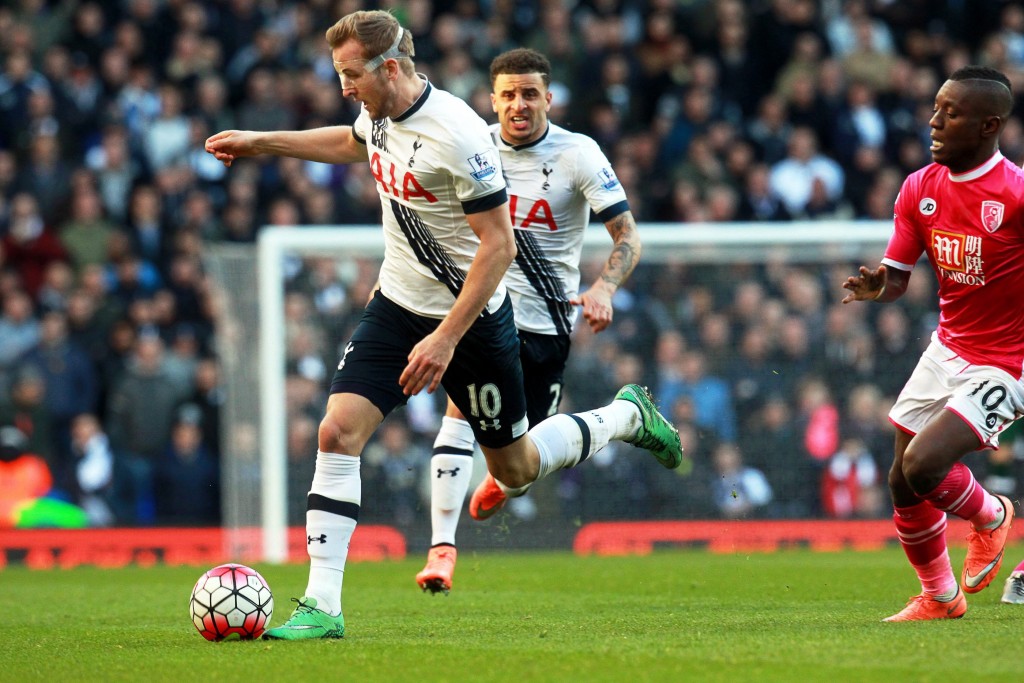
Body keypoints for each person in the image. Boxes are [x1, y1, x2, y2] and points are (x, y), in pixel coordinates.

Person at [205, 10, 681, 641]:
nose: (344, 85)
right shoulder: (377, 113)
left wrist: (447, 336)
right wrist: (260, 142)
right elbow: (353, 144)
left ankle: (625, 417)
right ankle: (323, 605)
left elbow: (499, 247)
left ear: (390, 67)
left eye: (350, 74)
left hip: (475, 321)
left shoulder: (458, 134)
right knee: (337, 431)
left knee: (512, 470)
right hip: (398, 304)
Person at [413, 47, 644, 595]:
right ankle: (441, 550)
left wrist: (604, 287)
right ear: (491, 100)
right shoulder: (473, 147)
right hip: (484, 309)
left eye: (530, 93)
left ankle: (508, 477)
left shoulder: (578, 154)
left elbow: (628, 235)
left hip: (548, 327)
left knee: (521, 467)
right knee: (459, 413)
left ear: (548, 98)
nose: (519, 104)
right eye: (508, 95)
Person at [842, 65, 1022, 622]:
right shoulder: (920, 187)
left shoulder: (1015, 195)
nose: (934, 120)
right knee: (902, 481)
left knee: (922, 466)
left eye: (951, 112)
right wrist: (881, 286)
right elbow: (898, 276)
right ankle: (941, 598)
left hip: (1007, 362)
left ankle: (991, 515)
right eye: (936, 107)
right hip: (947, 347)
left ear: (989, 125)